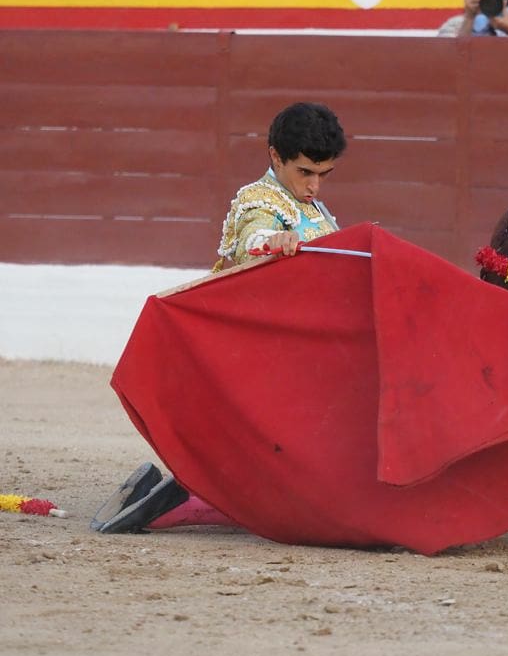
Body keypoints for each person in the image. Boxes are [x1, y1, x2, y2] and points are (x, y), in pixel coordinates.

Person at [92, 102, 347, 534]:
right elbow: (251, 238)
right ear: (275, 156)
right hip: (266, 358)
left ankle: (174, 499)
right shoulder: (260, 200)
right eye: (305, 172)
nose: (314, 185)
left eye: (324, 174)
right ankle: (172, 506)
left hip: (299, 353)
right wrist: (273, 240)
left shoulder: (314, 209)